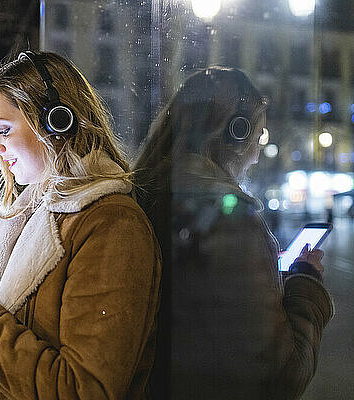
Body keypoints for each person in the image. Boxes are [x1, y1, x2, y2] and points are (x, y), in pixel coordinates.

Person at [0, 51, 161, 399]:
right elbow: (45, 305)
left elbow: (82, 389)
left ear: (57, 122)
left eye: (4, 130)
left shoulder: (112, 224)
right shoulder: (39, 212)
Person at [134, 66, 334, 399]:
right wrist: (306, 284)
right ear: (235, 133)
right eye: (259, 135)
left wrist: (262, 267)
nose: (257, 153)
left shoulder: (146, 194)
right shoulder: (232, 222)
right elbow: (280, 375)